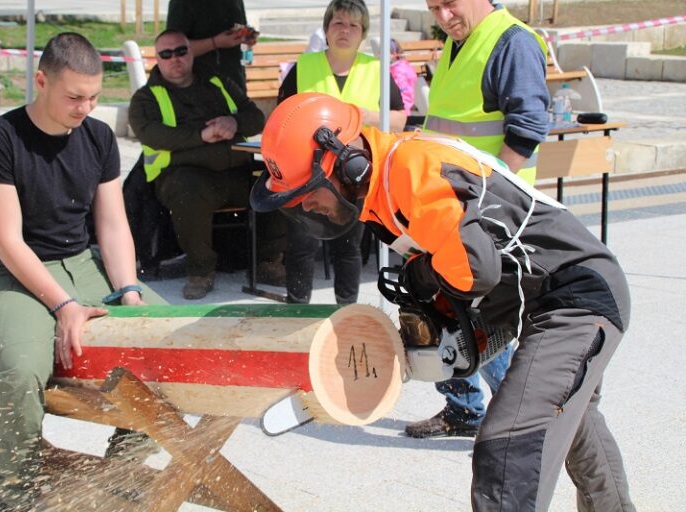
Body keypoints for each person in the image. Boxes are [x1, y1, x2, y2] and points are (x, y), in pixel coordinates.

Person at [251, 92, 635, 512]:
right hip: (542, 296)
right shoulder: (377, 194)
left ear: (348, 162)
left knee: (507, 449)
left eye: (309, 191)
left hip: (577, 294)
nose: (307, 204)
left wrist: (426, 273)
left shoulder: (409, 173)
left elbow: (474, 269)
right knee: (576, 420)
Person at [0, 33, 166, 508]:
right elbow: (7, 241)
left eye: (95, 97)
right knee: (21, 370)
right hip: (10, 270)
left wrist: (129, 291)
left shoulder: (98, 136)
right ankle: (12, 491)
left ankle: (123, 467)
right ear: (41, 81)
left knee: (167, 340)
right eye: (75, 97)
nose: (86, 108)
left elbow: (114, 225)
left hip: (81, 261)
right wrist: (64, 305)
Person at [409, 0, 552, 439]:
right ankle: (464, 409)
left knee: (480, 321)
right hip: (449, 204)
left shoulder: (511, 41)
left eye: (449, 4)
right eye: (433, 7)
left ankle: (518, 417)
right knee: (447, 311)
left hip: (488, 211)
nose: (442, 16)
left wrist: (492, 192)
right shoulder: (458, 42)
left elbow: (527, 129)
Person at [129, 30, 285, 300]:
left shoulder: (218, 81)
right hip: (184, 176)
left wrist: (233, 122)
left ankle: (269, 261)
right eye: (166, 54)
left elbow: (255, 116)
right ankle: (200, 271)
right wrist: (201, 135)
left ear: (191, 53)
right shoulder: (146, 98)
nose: (175, 59)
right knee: (188, 190)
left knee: (280, 180)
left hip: (236, 171)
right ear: (157, 59)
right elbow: (152, 134)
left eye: (181, 51)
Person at [277, 0, 406, 305]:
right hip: (307, 174)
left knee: (349, 247)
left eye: (353, 25)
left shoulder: (376, 70)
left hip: (354, 176)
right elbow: (281, 115)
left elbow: (399, 118)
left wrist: (360, 114)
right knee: (301, 244)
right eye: (338, 23)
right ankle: (297, 311)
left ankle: (346, 313)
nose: (344, 31)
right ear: (326, 28)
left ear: (363, 34)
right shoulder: (304, 67)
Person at [166, 0, 257, 92]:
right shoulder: (182, 3)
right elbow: (172, 48)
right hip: (199, 87)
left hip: (234, 83)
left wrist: (247, 35)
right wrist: (215, 42)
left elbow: (241, 27)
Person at [388, 39, 418, 115]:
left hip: (401, 110)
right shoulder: (403, 66)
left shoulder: (399, 71)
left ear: (394, 54)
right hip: (404, 108)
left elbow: (403, 93)